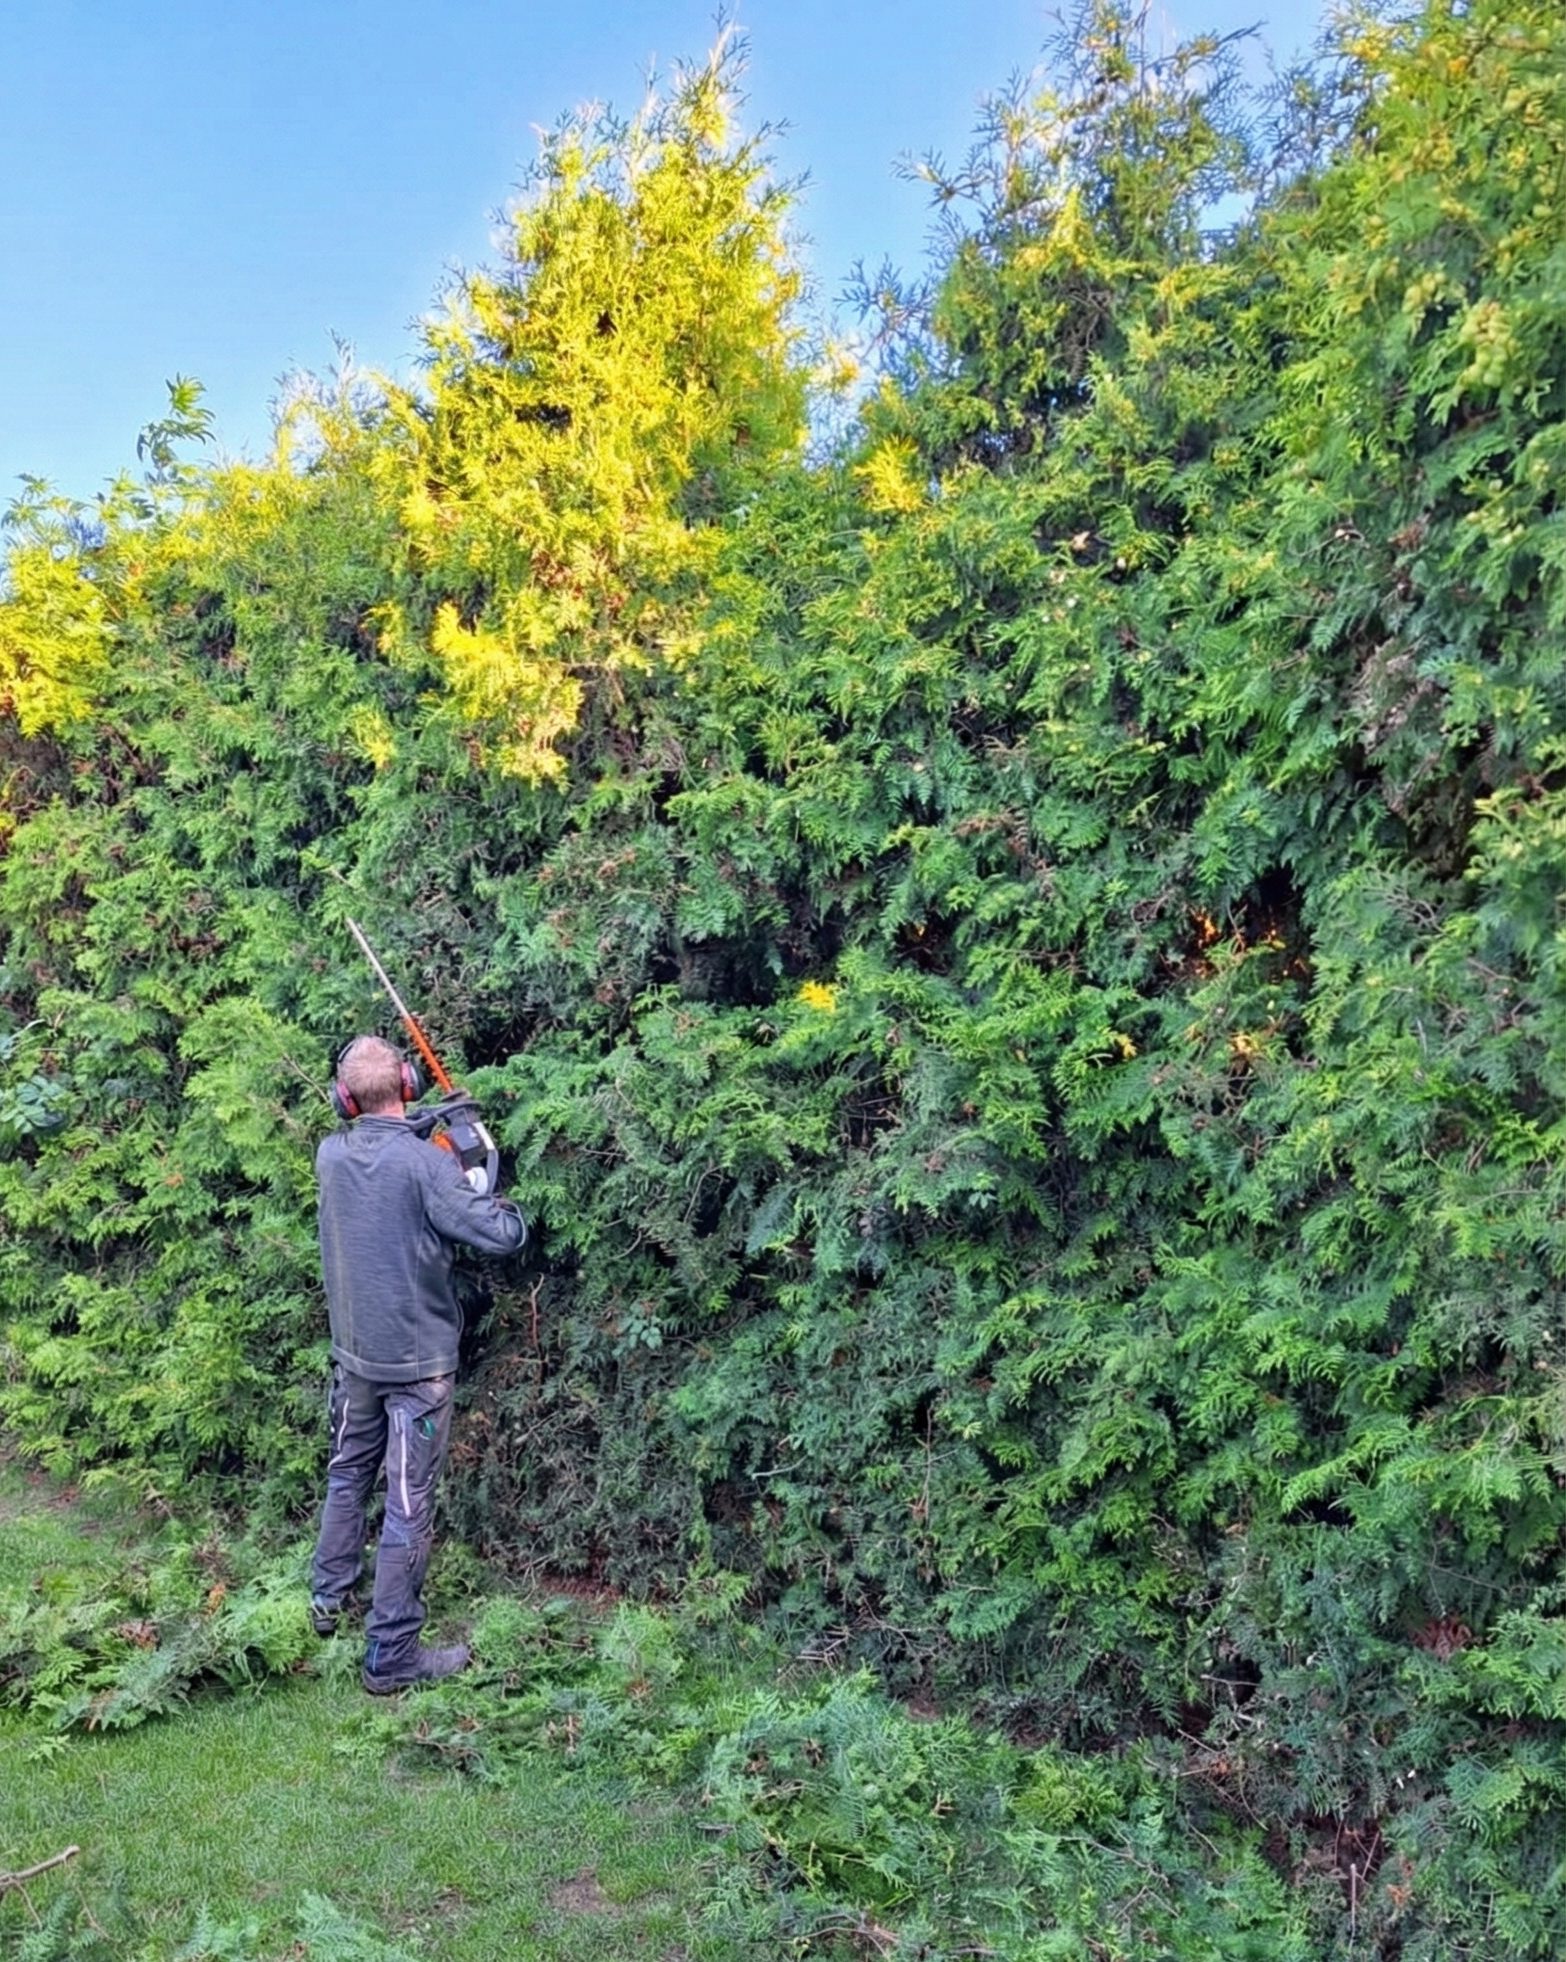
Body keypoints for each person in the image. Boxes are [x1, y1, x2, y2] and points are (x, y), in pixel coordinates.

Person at [309, 1034, 526, 1693]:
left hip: (356, 1358)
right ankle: (392, 1657)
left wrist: (435, 1124)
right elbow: (502, 1234)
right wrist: (479, 1157)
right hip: (418, 1369)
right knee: (408, 1506)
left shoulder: (330, 1153)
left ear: (345, 1099)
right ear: (408, 1081)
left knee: (348, 1474)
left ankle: (328, 1599)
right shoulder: (427, 1167)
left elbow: (389, 1148)